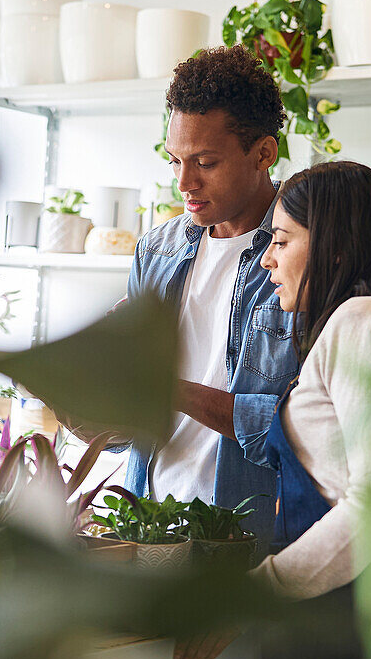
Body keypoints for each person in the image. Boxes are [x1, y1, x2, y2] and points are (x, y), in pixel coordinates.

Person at [173, 162, 371, 659]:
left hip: (350, 628)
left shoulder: (360, 326)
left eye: (283, 241)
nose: (268, 259)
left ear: (335, 248)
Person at [123, 45, 298, 541]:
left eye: (205, 161)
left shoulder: (308, 251)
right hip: (150, 522)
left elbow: (310, 427)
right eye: (175, 160)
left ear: (264, 153)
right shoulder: (156, 251)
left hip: (253, 538)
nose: (184, 182)